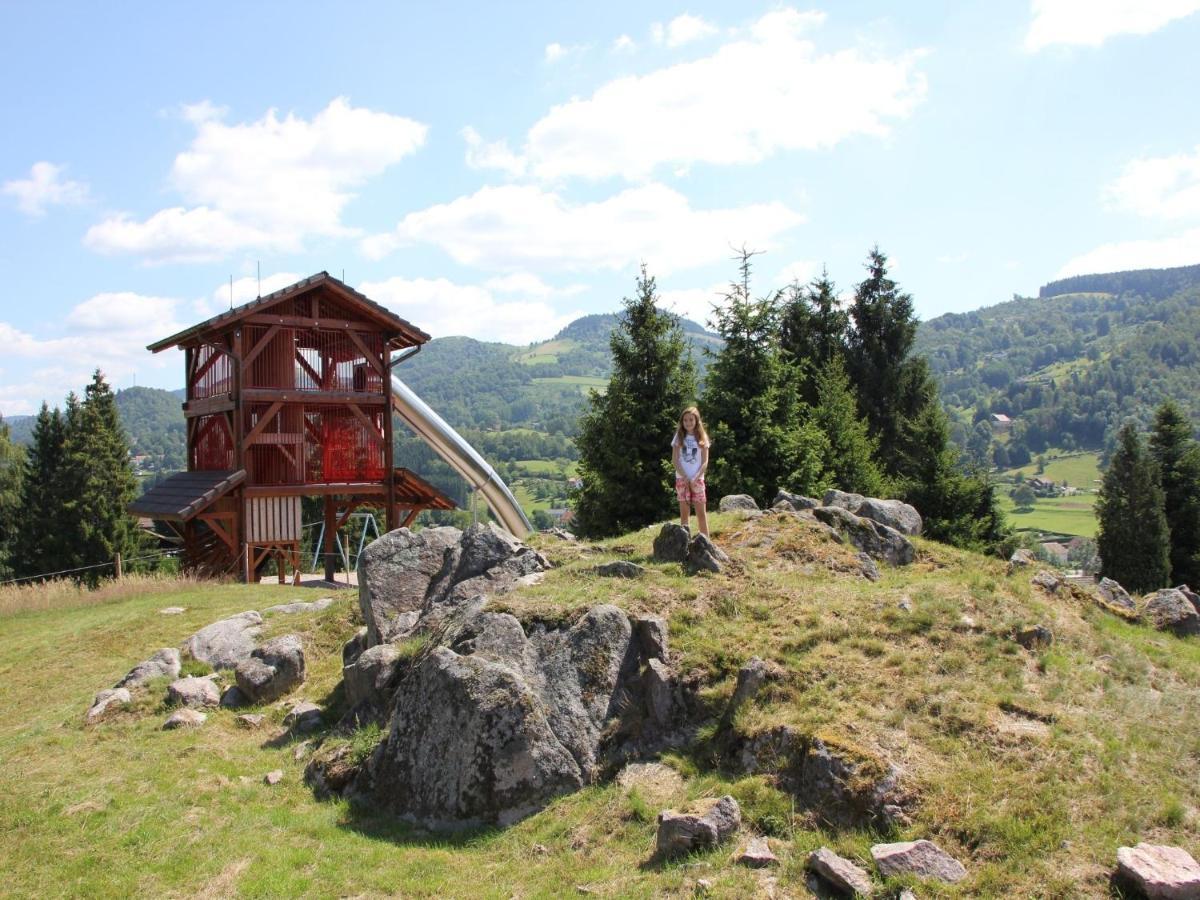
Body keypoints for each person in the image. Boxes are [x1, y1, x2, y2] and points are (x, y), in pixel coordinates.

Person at [671, 405, 710, 536]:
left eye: (691, 420)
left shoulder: (702, 437)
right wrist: (685, 477)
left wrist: (695, 477)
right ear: (682, 422)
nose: (688, 423)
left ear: (696, 420)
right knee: (684, 516)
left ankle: (707, 543)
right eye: (685, 420)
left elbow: (705, 462)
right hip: (682, 479)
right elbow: (675, 460)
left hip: (698, 480)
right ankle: (684, 545)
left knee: (701, 515)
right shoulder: (678, 436)